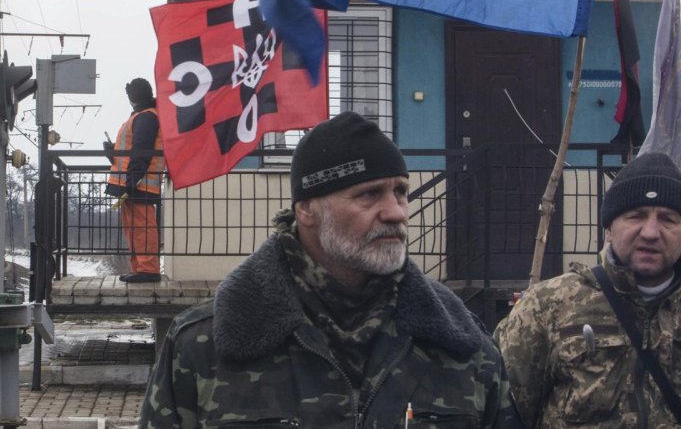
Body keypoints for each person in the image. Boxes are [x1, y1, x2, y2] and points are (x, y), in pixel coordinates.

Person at [140, 112, 518, 427]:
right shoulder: (202, 347)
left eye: (400, 192)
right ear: (306, 209)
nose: (396, 212)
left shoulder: (462, 346)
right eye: (369, 194)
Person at [496, 151, 681, 428]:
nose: (650, 231)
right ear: (609, 228)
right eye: (636, 216)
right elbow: (505, 411)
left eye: (668, 219)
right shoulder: (547, 306)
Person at [105, 78, 164, 283]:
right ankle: (141, 268)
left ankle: (148, 270)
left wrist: (131, 181)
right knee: (135, 229)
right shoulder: (143, 116)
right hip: (134, 183)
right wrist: (112, 153)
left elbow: (141, 152)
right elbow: (134, 152)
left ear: (132, 98)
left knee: (142, 228)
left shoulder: (146, 117)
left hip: (138, 184)